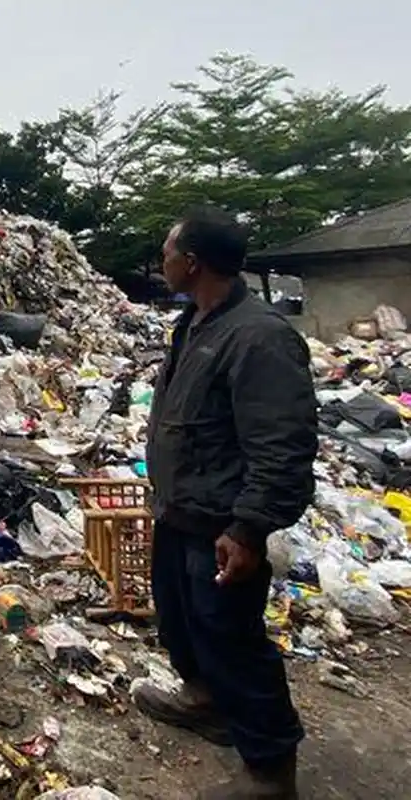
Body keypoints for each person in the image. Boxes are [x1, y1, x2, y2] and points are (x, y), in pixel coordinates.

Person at [138, 207, 317, 799]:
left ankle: (270, 770)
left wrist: (247, 528)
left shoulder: (258, 336)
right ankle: (204, 699)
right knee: (181, 619)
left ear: (191, 263)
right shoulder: (197, 321)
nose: (160, 261)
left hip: (220, 521)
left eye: (167, 251)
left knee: (231, 638)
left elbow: (282, 446)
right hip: (180, 509)